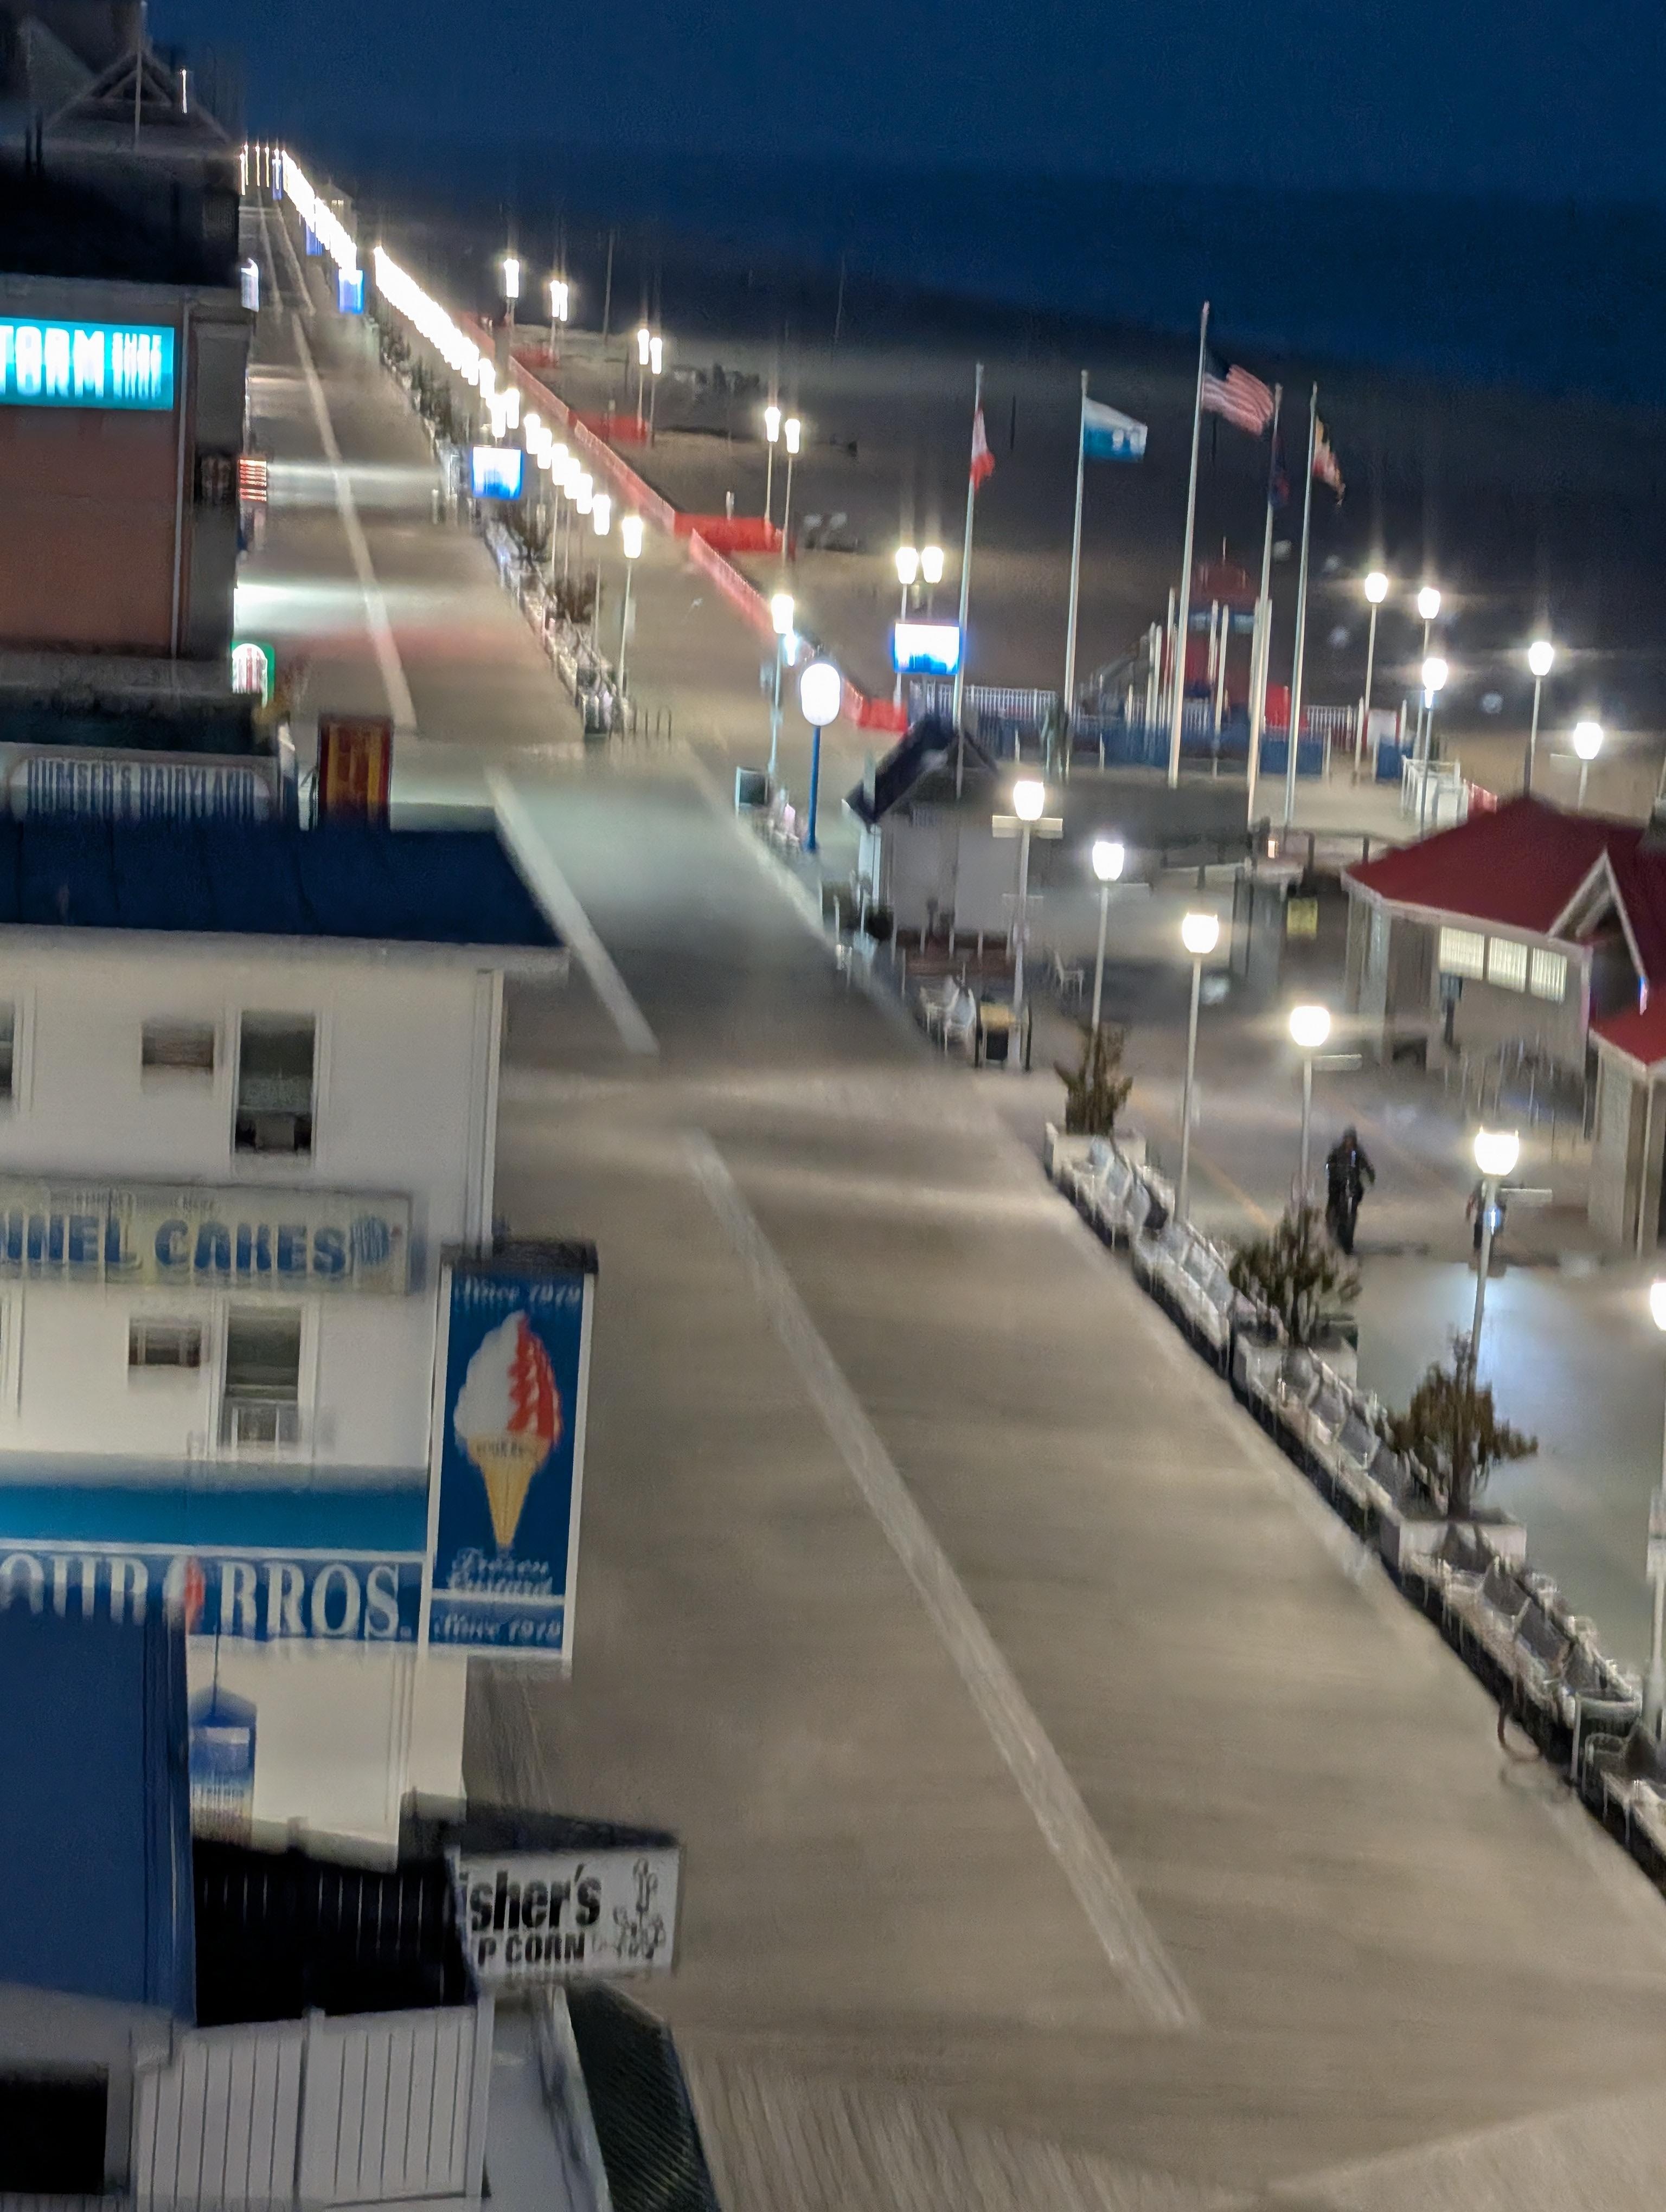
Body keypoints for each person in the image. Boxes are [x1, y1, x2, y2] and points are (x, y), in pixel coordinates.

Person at [1324, 1126, 1375, 1255]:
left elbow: (1367, 1166)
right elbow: (1329, 1166)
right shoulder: (1337, 1151)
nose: (1349, 1142)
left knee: (1352, 1213)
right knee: (1334, 1205)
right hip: (1337, 1185)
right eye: (1347, 1139)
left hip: (1353, 1185)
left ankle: (1348, 1243)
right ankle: (1334, 1232)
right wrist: (1333, 1175)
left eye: (1351, 1140)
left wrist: (1371, 1176)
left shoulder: (1358, 1152)